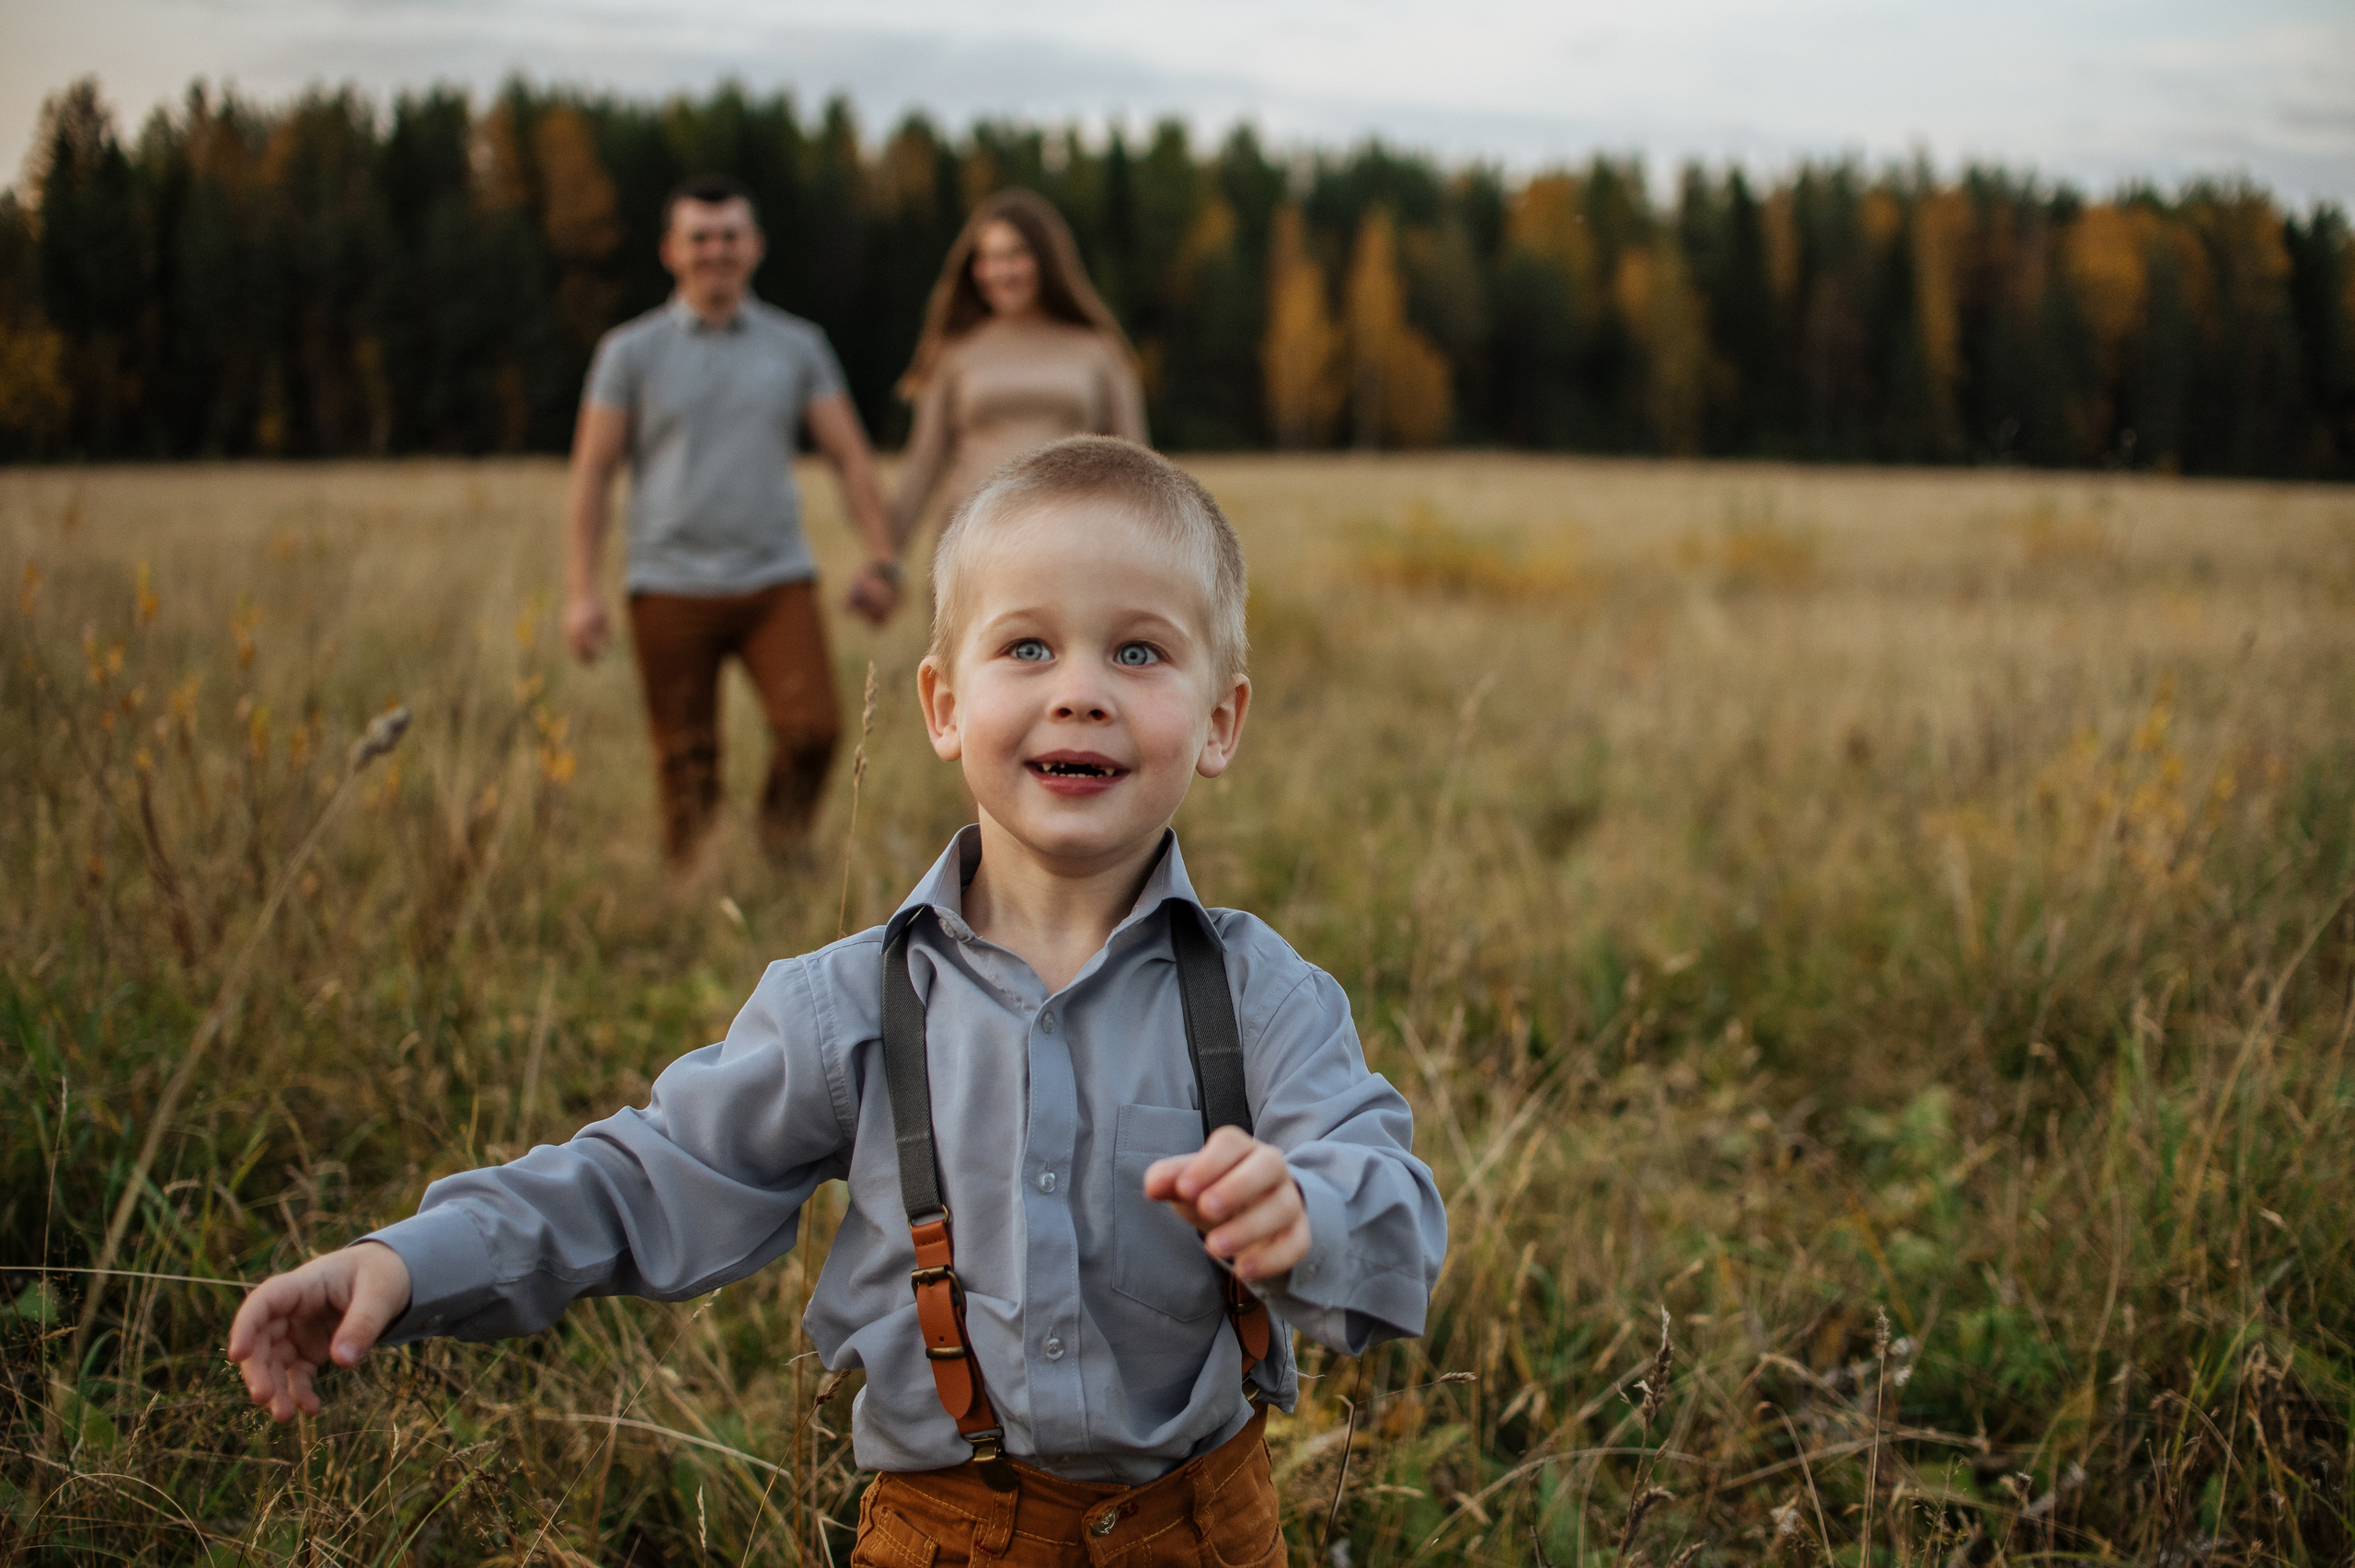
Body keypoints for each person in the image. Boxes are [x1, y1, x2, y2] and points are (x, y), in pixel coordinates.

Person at [228, 437, 1447, 1566]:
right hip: (944, 1534)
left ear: (1221, 721)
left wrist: (1310, 1217)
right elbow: (645, 1180)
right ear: (942, 706)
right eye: (1028, 647)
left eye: (1139, 651)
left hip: (1206, 1529)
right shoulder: (851, 1007)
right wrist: (410, 1261)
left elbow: (1395, 1227)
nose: (1079, 691)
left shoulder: (1267, 998)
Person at [563, 172, 907, 864]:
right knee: (685, 758)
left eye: (729, 237)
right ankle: (693, 888)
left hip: (774, 577)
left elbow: (847, 454)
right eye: (699, 238)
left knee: (813, 728)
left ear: (754, 247)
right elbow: (593, 472)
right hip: (666, 582)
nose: (714, 250)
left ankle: (780, 848)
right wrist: (581, 592)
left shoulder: (797, 346)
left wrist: (881, 556)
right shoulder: (629, 352)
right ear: (670, 250)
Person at [887, 189, 1147, 550]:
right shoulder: (955, 351)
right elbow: (922, 467)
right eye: (988, 258)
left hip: (1073, 553)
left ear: (1046, 259)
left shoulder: (1099, 351)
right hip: (973, 554)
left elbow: (1137, 467)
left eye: (1015, 255)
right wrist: (884, 563)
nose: (1000, 272)